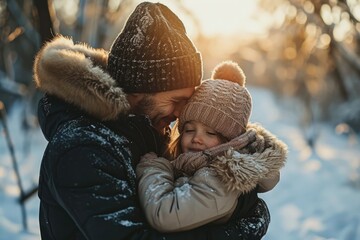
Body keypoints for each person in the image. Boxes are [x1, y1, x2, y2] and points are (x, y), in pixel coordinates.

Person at [33, 2, 271, 240]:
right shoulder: (83, 148)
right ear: (140, 89)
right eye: (176, 100)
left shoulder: (145, 131)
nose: (181, 114)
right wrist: (240, 223)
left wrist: (240, 193)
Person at [136, 61, 288, 233]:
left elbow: (165, 213)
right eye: (189, 129)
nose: (197, 138)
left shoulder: (223, 178)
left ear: (231, 141)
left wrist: (153, 167)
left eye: (211, 133)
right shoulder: (193, 164)